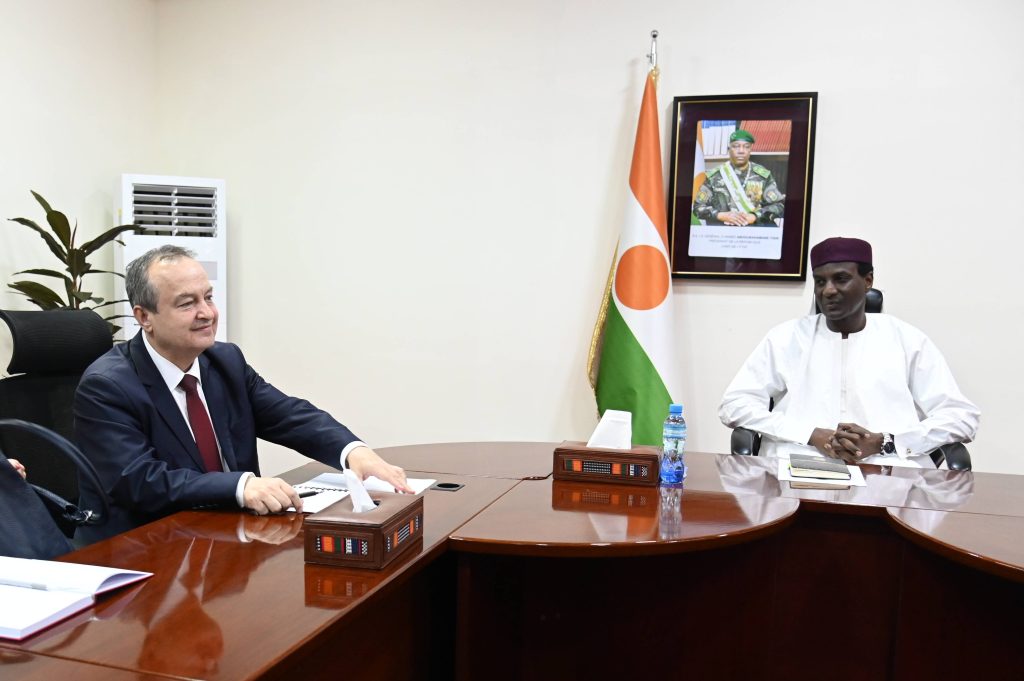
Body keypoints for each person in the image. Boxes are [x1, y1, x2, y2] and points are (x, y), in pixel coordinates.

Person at [74, 245, 411, 539]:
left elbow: (288, 415)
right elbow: (140, 481)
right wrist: (240, 486)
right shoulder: (108, 385)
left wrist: (352, 451)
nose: (207, 313)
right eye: (187, 303)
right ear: (144, 317)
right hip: (145, 549)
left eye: (208, 297)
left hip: (227, 536)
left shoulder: (224, 361)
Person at [718, 236, 980, 467]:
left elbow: (961, 417)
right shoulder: (786, 338)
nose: (828, 290)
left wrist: (885, 442)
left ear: (868, 281)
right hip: (799, 463)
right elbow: (734, 405)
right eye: (820, 281)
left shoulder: (907, 340)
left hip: (887, 470)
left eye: (841, 279)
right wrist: (810, 434)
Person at [693, 128, 785, 226]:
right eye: (736, 146)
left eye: (746, 147)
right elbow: (698, 208)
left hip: (755, 231)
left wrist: (755, 216)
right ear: (729, 149)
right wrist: (720, 215)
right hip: (722, 232)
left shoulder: (762, 175)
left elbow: (779, 205)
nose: (741, 151)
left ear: (750, 149)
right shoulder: (715, 176)